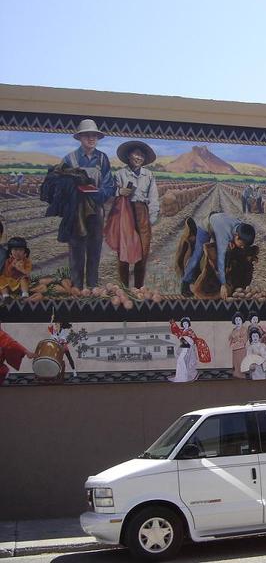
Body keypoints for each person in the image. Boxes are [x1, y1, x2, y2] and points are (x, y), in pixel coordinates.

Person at [59, 119, 116, 289]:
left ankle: (92, 287)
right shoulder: (69, 159)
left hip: (96, 210)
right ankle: (77, 288)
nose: (91, 138)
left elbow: (109, 184)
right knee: (76, 249)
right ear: (80, 138)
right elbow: (60, 187)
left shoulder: (102, 158)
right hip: (76, 210)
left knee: (94, 248)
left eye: (94, 136)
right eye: (87, 135)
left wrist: (98, 193)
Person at [108, 141, 159, 288]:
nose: (139, 157)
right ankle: (124, 289)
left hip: (142, 212)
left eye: (142, 155)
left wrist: (151, 218)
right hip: (124, 213)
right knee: (123, 253)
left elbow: (154, 197)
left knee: (142, 254)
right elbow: (110, 195)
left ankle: (138, 289)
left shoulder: (149, 175)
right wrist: (119, 192)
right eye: (136, 154)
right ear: (129, 156)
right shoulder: (119, 174)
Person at [180, 212, 256, 299]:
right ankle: (185, 282)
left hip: (219, 222)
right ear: (237, 236)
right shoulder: (224, 234)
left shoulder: (241, 227)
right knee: (197, 254)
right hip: (206, 226)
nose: (243, 247)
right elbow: (221, 259)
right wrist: (223, 284)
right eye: (242, 244)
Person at [168, 318, 211, 382]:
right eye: (184, 323)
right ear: (182, 324)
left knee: (186, 361)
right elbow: (176, 330)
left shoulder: (190, 331)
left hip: (188, 347)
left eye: (187, 323)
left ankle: (188, 375)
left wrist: (186, 340)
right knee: (181, 360)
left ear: (189, 324)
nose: (185, 324)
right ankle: (181, 376)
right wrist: (173, 323)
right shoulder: (181, 331)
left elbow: (193, 339)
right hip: (183, 347)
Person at [228, 312, 248, 379]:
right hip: (234, 349)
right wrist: (235, 339)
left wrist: (237, 339)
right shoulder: (233, 330)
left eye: (239, 320)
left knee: (241, 362)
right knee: (235, 363)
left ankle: (242, 375)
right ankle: (236, 374)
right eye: (236, 320)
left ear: (242, 320)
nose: (238, 321)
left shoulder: (244, 329)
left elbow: (244, 340)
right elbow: (230, 339)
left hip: (241, 349)